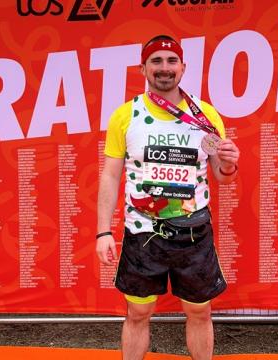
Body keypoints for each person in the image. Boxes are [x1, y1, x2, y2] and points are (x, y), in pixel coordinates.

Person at [96, 34, 240, 360]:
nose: (164, 68)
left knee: (200, 313)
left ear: (183, 67)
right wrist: (103, 231)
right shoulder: (125, 116)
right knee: (136, 314)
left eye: (171, 61)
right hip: (143, 234)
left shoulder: (205, 117)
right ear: (143, 68)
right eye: (156, 61)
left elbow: (222, 176)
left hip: (194, 233)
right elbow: (110, 175)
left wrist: (229, 164)